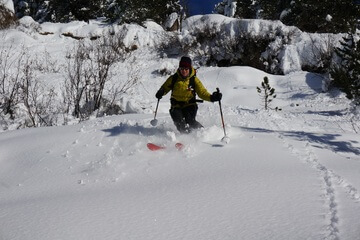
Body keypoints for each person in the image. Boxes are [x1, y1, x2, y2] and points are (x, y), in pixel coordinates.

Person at [155, 56, 222, 133]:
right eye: (182, 69)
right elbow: (165, 88)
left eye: (186, 69)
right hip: (176, 106)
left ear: (190, 69)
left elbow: (202, 93)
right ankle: (186, 138)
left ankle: (203, 132)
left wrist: (212, 97)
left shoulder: (194, 80)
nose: (184, 71)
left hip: (190, 105)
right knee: (180, 124)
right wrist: (161, 92)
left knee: (190, 122)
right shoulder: (173, 78)